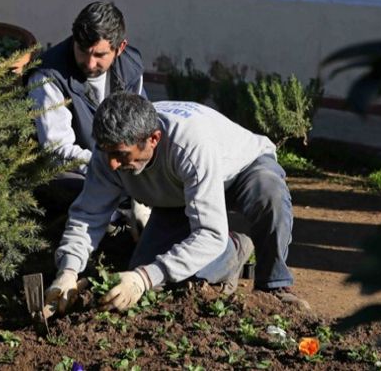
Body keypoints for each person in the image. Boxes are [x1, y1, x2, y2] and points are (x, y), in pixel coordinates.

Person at [44, 93, 310, 314]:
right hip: (178, 192)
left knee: (269, 194)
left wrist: (144, 278)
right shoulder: (108, 154)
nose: (112, 163)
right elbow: (88, 215)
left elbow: (208, 234)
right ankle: (229, 250)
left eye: (121, 155)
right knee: (161, 281)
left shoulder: (190, 145)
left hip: (240, 170)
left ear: (153, 139)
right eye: (107, 153)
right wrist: (68, 270)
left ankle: (273, 284)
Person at [26, 1, 150, 237]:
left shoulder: (131, 67)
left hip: (123, 169)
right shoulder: (48, 76)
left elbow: (143, 131)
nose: (90, 63)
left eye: (100, 55)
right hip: (71, 172)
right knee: (87, 192)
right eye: (83, 51)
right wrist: (112, 172)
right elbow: (57, 151)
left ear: (120, 48)